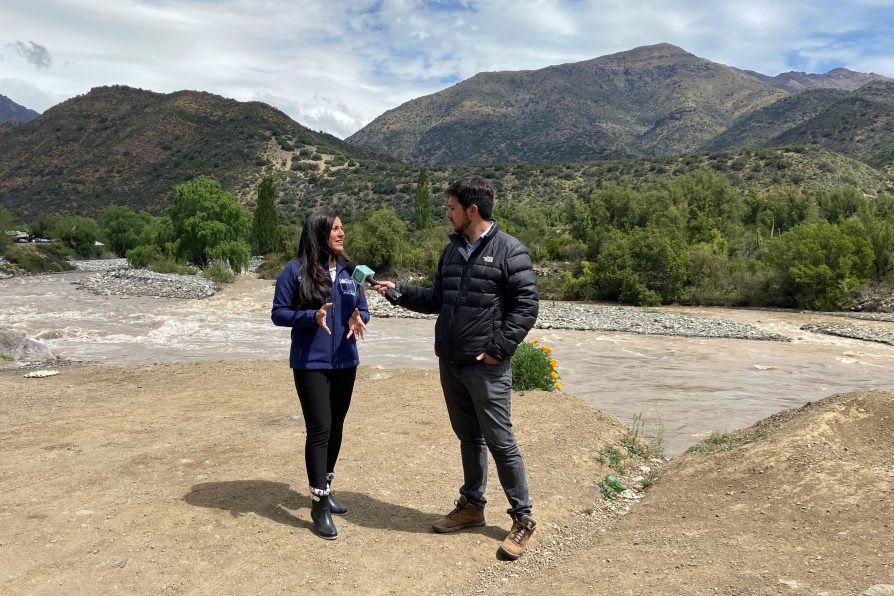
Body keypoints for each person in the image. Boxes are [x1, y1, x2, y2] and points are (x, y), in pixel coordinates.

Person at [374, 175, 539, 560]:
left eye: (450, 207)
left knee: (501, 441)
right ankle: (472, 507)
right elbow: (437, 299)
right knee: (469, 438)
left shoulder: (511, 251)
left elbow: (526, 308)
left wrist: (498, 349)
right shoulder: (451, 251)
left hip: (486, 366)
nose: (447, 214)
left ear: (471, 209)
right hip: (450, 360)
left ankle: (523, 518)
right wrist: (398, 294)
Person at [271, 213, 369, 540]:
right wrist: (311, 316)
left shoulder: (350, 271)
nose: (342, 232)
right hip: (310, 364)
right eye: (336, 228)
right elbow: (279, 314)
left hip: (345, 361)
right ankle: (319, 505)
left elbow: (362, 309)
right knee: (320, 429)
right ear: (319, 233)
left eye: (343, 226)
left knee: (337, 426)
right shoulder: (294, 271)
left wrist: (358, 317)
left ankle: (325, 487)